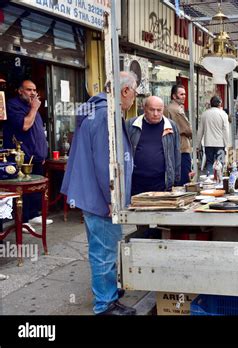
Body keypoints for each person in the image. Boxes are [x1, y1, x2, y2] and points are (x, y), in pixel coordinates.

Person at [61, 71, 136, 315]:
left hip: (93, 194)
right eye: (134, 92)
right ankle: (105, 304)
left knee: (103, 247)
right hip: (101, 197)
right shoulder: (106, 115)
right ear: (125, 91)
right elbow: (106, 164)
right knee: (104, 250)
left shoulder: (97, 110)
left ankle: (108, 293)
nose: (134, 98)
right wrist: (112, 199)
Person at [4, 80, 52, 228]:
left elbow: (37, 133)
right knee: (22, 191)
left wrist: (42, 153)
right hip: (21, 158)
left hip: (36, 157)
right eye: (29, 90)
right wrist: (34, 109)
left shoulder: (33, 107)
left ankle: (33, 215)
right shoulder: (13, 105)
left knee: (34, 190)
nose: (33, 93)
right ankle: (22, 221)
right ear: (20, 91)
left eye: (34, 90)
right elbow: (25, 125)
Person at [127, 96, 181, 194]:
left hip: (161, 183)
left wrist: (175, 179)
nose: (156, 114)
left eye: (159, 110)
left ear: (163, 109)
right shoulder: (132, 125)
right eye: (152, 110)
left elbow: (176, 152)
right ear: (144, 108)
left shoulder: (171, 126)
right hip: (136, 183)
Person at [164, 84, 192, 186]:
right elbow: (188, 130)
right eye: (181, 94)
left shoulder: (167, 108)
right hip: (182, 148)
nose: (184, 96)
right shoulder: (177, 110)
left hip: (171, 148)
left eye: (184, 94)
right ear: (174, 96)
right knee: (184, 180)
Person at [197, 95, 230, 175]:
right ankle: (219, 182)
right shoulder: (223, 114)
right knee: (220, 164)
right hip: (220, 144)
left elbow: (200, 131)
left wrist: (198, 145)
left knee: (209, 163)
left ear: (211, 104)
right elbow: (226, 131)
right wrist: (227, 145)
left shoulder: (205, 114)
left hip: (208, 143)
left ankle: (209, 180)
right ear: (220, 104)